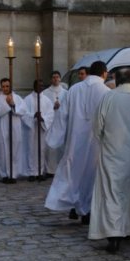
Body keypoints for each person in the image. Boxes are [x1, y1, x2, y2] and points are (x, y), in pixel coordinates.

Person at [88, 68, 130, 253]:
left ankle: (114, 234)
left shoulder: (108, 97)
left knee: (112, 193)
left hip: (112, 153)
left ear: (117, 80)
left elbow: (97, 127)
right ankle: (129, 228)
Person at [45, 61, 110, 223]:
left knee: (74, 173)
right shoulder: (107, 92)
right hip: (96, 141)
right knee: (91, 175)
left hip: (75, 140)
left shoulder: (74, 90)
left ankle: (75, 206)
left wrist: (55, 138)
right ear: (104, 73)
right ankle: (86, 210)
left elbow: (62, 115)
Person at [0, 77, 27, 182]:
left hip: (14, 126)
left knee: (14, 150)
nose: (5, 88)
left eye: (7, 86)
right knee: (3, 151)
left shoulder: (18, 98)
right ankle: (4, 174)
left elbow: (23, 110)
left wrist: (13, 105)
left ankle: (13, 174)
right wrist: (7, 104)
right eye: (3, 86)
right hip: (2, 127)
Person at [20, 79, 55, 179]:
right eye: (38, 85)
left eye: (42, 85)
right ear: (34, 86)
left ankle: (40, 171)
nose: (40, 87)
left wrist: (43, 118)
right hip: (31, 129)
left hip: (42, 129)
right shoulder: (27, 99)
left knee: (41, 149)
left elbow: (50, 115)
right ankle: (31, 172)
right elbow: (23, 113)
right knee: (31, 149)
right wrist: (33, 116)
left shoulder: (47, 100)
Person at [42, 71, 68, 174]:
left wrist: (60, 106)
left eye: (57, 77)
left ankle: (60, 169)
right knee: (50, 147)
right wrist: (53, 107)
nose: (56, 79)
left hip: (61, 121)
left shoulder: (66, 92)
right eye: (53, 77)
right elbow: (44, 107)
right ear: (51, 79)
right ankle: (50, 169)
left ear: (60, 79)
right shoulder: (45, 93)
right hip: (50, 123)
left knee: (61, 147)